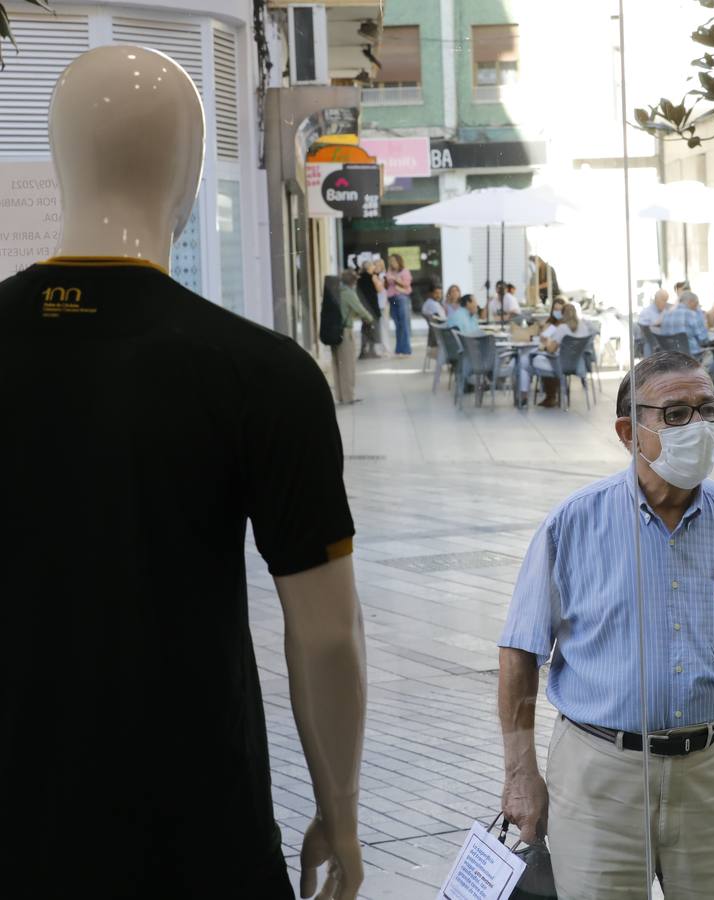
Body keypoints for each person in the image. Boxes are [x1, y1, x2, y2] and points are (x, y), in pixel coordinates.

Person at [1, 44, 367, 900]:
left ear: (59, 164)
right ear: (193, 178)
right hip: (197, 833)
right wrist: (340, 811)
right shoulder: (262, 376)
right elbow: (327, 635)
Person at [498, 351, 714, 900]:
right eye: (674, 414)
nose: (698, 427)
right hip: (600, 776)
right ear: (628, 431)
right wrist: (521, 774)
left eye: (708, 409)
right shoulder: (572, 524)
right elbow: (519, 654)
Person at [517, 300, 589, 407]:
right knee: (543, 360)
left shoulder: (562, 328)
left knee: (530, 361)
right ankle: (551, 396)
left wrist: (547, 343)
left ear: (563, 314)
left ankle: (538, 397)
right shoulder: (584, 327)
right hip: (578, 365)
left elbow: (551, 350)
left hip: (560, 365)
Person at [662, 291, 714, 382]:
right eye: (696, 303)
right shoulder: (691, 314)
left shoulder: (666, 314)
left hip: (671, 356)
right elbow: (703, 339)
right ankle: (699, 382)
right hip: (692, 355)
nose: (697, 307)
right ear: (690, 302)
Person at [333, 270, 374, 405]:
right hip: (345, 332)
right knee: (348, 365)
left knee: (337, 364)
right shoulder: (349, 293)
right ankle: (348, 396)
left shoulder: (336, 291)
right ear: (353, 281)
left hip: (334, 331)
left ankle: (340, 395)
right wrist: (370, 318)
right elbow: (360, 309)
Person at [386, 253, 414, 356]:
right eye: (390, 261)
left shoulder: (405, 271)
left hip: (402, 298)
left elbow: (407, 284)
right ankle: (398, 349)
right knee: (397, 324)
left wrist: (396, 280)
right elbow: (388, 282)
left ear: (398, 261)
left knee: (404, 323)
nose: (392, 262)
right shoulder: (390, 271)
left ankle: (406, 350)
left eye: (393, 260)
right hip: (392, 299)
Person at [356, 260, 383, 359]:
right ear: (368, 268)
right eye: (372, 266)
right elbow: (380, 289)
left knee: (365, 329)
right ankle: (372, 351)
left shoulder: (359, 278)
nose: (374, 267)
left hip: (363, 306)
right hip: (372, 307)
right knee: (373, 329)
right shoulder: (372, 277)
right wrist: (377, 278)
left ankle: (363, 351)